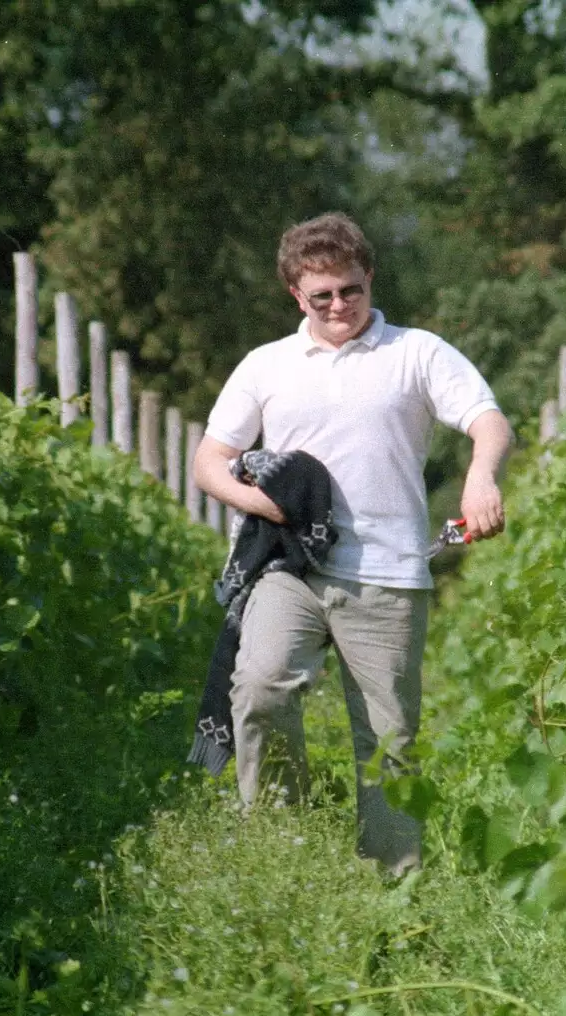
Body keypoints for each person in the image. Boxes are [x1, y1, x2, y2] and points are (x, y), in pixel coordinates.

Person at [193, 212, 511, 874]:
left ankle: (397, 891)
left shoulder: (416, 352)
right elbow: (209, 460)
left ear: (369, 278)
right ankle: (282, 849)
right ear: (295, 297)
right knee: (259, 683)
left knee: (389, 740)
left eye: (351, 290)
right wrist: (265, 505)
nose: (340, 305)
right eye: (323, 296)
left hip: (387, 572)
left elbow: (487, 419)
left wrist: (481, 474)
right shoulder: (266, 365)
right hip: (290, 567)